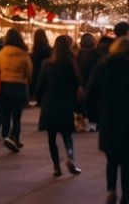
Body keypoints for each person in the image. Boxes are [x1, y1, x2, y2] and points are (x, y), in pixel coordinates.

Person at [86, 34, 129, 204]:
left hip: (109, 119)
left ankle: (111, 189)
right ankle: (126, 195)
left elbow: (91, 91)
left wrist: (93, 115)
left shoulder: (104, 65)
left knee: (112, 160)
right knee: (127, 162)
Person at [36, 34, 82, 177]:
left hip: (49, 103)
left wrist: (40, 100)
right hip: (65, 104)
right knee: (67, 136)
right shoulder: (71, 64)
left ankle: (56, 166)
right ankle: (69, 157)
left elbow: (39, 86)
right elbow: (77, 84)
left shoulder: (46, 64)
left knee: (51, 137)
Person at [0, 28, 32, 153]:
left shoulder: (1, 53)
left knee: (5, 113)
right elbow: (29, 71)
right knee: (16, 115)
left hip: (4, 86)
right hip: (18, 86)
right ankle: (16, 138)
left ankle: (5, 135)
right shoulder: (23, 54)